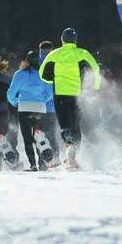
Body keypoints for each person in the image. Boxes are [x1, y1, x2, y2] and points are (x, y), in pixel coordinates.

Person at [39, 28, 101, 168]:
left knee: (64, 125)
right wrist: (96, 86)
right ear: (75, 40)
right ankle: (73, 155)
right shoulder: (82, 53)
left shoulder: (54, 54)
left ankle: (69, 150)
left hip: (60, 94)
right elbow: (96, 69)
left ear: (62, 39)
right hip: (76, 95)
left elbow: (43, 74)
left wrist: (54, 80)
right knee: (75, 125)